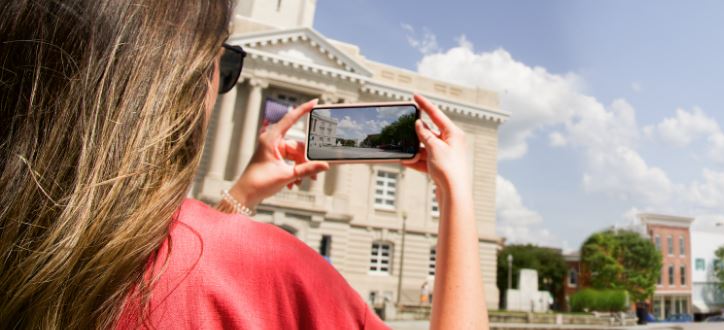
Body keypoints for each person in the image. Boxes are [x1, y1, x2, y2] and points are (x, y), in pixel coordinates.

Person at [0, 1, 488, 329]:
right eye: (226, 64)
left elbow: (182, 266)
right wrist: (456, 194)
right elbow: (214, 274)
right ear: (187, 76)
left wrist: (241, 195)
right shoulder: (275, 267)